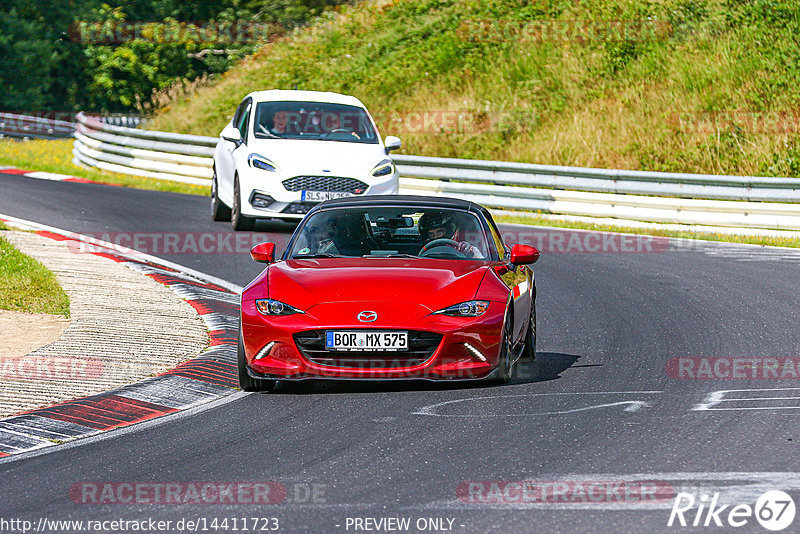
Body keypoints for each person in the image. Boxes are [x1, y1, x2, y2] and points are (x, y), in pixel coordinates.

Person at [417, 212, 483, 258]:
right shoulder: (418, 248)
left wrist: (470, 254)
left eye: (440, 232)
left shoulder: (464, 248)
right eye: (431, 234)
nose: (436, 237)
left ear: (449, 231)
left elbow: (482, 265)